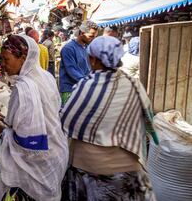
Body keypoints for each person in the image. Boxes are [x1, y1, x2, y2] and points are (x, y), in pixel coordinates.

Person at [60, 36, 158, 201]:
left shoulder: (86, 85)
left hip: (89, 172)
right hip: (129, 170)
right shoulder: (134, 85)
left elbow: (66, 121)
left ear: (93, 60)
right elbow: (148, 120)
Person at [0, 35, 68, 201]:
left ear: (23, 58)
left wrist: (4, 132)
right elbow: (43, 113)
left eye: (6, 59)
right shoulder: (45, 76)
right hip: (56, 152)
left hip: (40, 161)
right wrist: (9, 119)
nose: (2, 65)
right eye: (1, 59)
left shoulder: (24, 87)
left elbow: (31, 141)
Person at [59, 22, 97, 105]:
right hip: (70, 90)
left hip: (83, 88)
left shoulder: (87, 48)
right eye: (91, 36)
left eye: (94, 37)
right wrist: (88, 82)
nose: (93, 39)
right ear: (82, 33)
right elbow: (71, 70)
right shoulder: (68, 49)